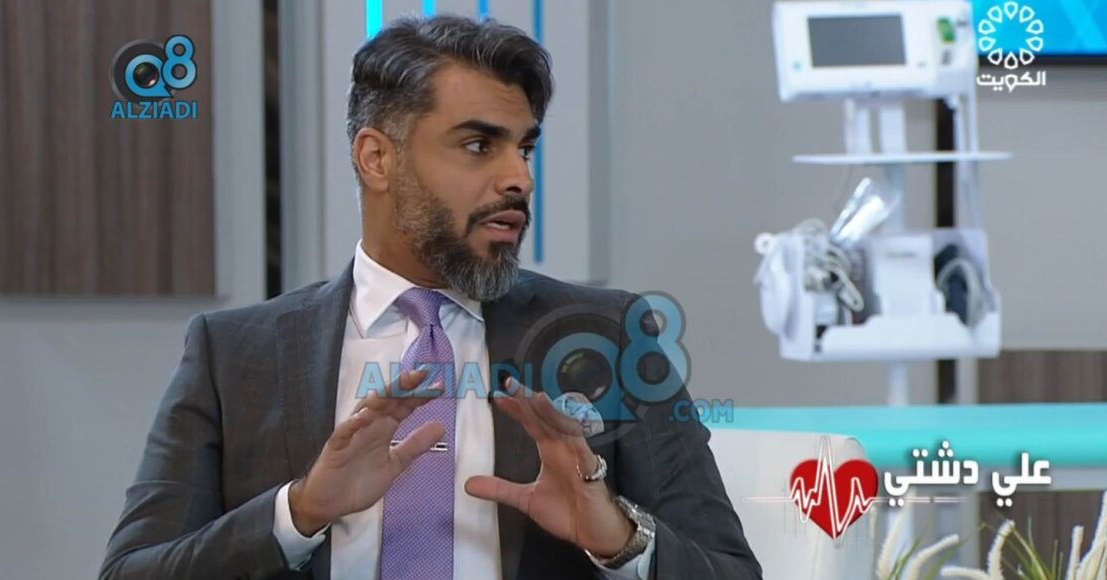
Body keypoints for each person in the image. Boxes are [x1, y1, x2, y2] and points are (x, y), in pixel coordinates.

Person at [100, 14, 762, 580]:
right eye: (479, 145)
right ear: (377, 159)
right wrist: (299, 512)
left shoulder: (605, 335)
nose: (519, 178)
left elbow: (729, 570)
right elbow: (133, 570)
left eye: (525, 149)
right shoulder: (233, 353)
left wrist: (618, 537)